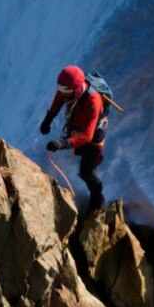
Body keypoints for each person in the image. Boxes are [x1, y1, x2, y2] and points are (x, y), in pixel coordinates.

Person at [40, 65, 106, 211]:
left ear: (75, 89)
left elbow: (88, 135)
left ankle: (97, 195)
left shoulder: (93, 101)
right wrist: (48, 119)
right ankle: (94, 159)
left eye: (65, 90)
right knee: (81, 151)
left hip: (94, 133)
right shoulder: (68, 91)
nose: (61, 92)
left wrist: (63, 143)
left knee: (86, 171)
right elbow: (59, 99)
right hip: (79, 125)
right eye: (60, 88)